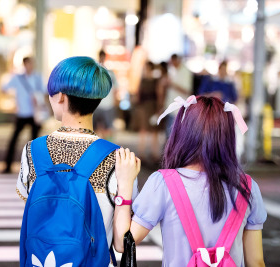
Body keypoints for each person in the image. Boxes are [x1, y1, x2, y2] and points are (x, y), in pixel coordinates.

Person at [113, 96, 267, 266]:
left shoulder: (163, 183)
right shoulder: (248, 187)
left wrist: (125, 185)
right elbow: (256, 262)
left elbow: (122, 244)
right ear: (227, 136)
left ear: (183, 133)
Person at [16, 56, 138, 266]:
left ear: (61, 97)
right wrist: (126, 186)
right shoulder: (118, 159)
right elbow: (120, 244)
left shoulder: (32, 151)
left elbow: (39, 217)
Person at [2, 57, 45, 173]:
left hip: (34, 114)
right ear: (24, 65)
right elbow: (4, 88)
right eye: (27, 64)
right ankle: (8, 165)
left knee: (35, 143)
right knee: (14, 140)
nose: (29, 66)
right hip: (22, 113)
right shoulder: (18, 77)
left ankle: (36, 169)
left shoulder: (38, 77)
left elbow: (45, 92)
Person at [135, 61, 160, 160]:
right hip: (146, 107)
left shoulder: (152, 80)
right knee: (146, 129)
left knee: (152, 130)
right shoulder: (147, 80)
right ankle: (145, 152)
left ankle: (152, 152)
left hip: (149, 106)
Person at [165, 54, 193, 136]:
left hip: (179, 108)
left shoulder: (185, 72)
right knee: (169, 134)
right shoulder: (172, 70)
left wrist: (172, 84)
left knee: (175, 134)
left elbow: (187, 91)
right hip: (171, 106)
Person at [93, 50, 118, 140]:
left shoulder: (98, 73)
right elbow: (115, 90)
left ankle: (102, 147)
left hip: (101, 104)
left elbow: (115, 89)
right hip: (101, 105)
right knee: (105, 128)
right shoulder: (109, 73)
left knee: (101, 129)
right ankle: (107, 147)